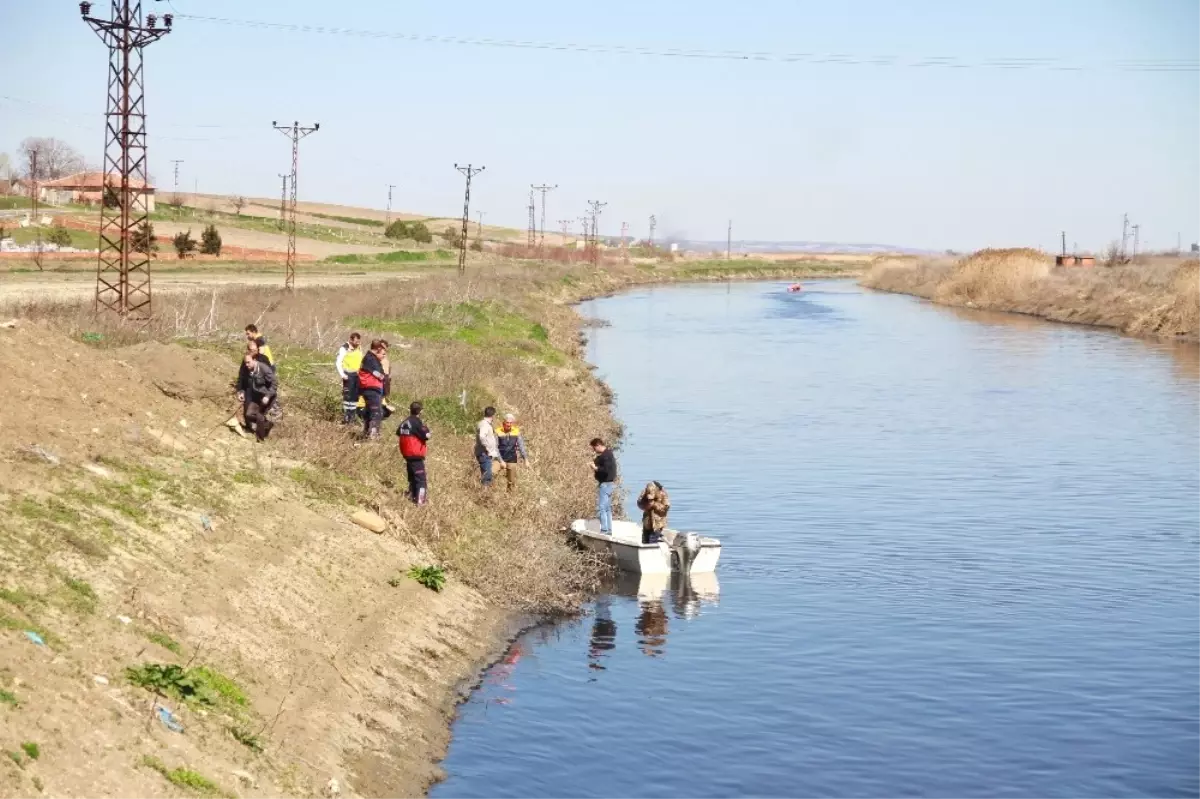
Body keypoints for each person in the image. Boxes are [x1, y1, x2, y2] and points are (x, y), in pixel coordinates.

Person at [226, 341, 272, 438]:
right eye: (250, 350)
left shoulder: (264, 359)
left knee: (258, 413)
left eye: (253, 349)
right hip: (249, 389)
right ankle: (250, 428)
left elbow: (270, 378)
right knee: (247, 412)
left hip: (261, 390)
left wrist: (267, 393)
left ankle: (263, 430)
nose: (252, 351)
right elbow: (241, 376)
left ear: (257, 349)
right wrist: (240, 390)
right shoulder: (246, 360)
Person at [237, 351, 277, 442]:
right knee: (249, 414)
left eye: (248, 362)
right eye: (245, 362)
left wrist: (267, 396)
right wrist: (241, 392)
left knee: (259, 416)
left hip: (267, 397)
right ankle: (267, 424)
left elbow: (274, 384)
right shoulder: (247, 369)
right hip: (256, 396)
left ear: (254, 360)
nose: (246, 365)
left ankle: (260, 439)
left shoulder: (264, 369)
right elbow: (244, 382)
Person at [397, 401, 431, 505]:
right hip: (415, 454)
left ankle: (412, 496)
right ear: (421, 411)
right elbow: (426, 435)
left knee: (412, 478)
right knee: (421, 480)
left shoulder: (404, 422)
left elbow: (398, 432)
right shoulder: (416, 422)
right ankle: (420, 502)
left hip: (406, 454)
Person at [357, 340, 387, 440]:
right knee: (376, 413)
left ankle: (366, 434)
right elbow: (379, 375)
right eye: (383, 353)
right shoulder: (371, 359)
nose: (384, 356)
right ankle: (373, 435)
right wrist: (383, 376)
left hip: (371, 389)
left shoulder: (370, 359)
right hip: (371, 389)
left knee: (370, 412)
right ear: (378, 349)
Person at [495, 413, 529, 492]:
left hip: (512, 459)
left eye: (511, 423)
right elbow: (495, 448)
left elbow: (521, 446)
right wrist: (501, 461)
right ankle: (489, 493)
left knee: (511, 481)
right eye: (507, 422)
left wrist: (526, 459)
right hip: (499, 458)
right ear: (504, 422)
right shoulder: (497, 431)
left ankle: (509, 497)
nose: (509, 424)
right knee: (490, 474)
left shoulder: (516, 432)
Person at [335, 333, 363, 425]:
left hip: (357, 375)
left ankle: (352, 416)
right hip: (348, 375)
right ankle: (347, 416)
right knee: (348, 396)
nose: (357, 343)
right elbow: (338, 362)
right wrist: (342, 374)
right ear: (351, 340)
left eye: (359, 341)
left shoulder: (359, 348)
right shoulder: (344, 348)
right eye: (356, 341)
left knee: (355, 397)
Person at [591, 438, 616, 535]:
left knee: (602, 507)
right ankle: (608, 530)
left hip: (605, 484)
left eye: (594, 448)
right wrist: (595, 459)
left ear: (598, 445)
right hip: (608, 484)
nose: (594, 450)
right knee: (607, 508)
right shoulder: (607, 454)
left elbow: (605, 470)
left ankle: (604, 530)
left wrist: (595, 468)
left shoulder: (606, 456)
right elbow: (600, 462)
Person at [474, 406, 501, 486]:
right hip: (484, 453)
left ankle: (484, 491)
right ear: (493, 416)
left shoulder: (483, 423)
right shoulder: (485, 425)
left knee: (486, 473)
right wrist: (487, 448)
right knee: (487, 476)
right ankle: (484, 494)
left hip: (485, 453)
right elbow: (482, 436)